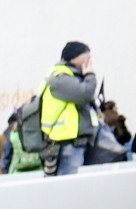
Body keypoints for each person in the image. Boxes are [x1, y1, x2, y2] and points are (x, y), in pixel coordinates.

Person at [38, 41, 98, 176]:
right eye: (86, 55)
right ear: (74, 56)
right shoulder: (60, 78)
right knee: (66, 187)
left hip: (73, 143)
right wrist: (90, 75)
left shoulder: (72, 77)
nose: (90, 59)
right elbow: (85, 94)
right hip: (66, 144)